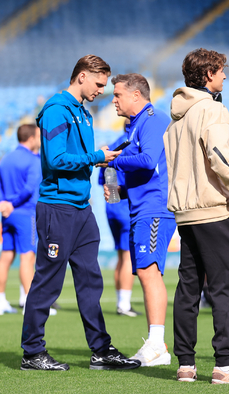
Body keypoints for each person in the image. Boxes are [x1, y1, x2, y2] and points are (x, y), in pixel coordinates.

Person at [20, 54, 140, 371]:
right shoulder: (58, 109)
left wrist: (97, 158)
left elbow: (77, 157)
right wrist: (96, 156)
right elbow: (56, 159)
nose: (102, 90)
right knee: (47, 282)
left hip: (82, 210)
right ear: (82, 76)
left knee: (90, 280)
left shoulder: (83, 113)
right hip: (57, 208)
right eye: (99, 84)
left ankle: (101, 349)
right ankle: (32, 353)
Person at [164, 48, 229, 384]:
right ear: (209, 74)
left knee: (188, 290)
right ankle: (224, 364)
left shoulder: (176, 119)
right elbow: (220, 156)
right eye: (221, 71)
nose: (224, 77)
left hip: (185, 215)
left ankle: (186, 365)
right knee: (228, 289)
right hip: (214, 211)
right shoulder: (213, 110)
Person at [101, 73, 176, 366]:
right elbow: (146, 169)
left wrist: (112, 159)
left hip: (155, 209)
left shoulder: (154, 119)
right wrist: (122, 188)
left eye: (117, 95)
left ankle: (157, 346)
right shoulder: (135, 126)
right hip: (140, 207)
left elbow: (148, 160)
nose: (114, 100)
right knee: (145, 271)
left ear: (136, 95)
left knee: (149, 271)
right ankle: (157, 344)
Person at [0, 124, 42, 315]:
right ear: (30, 138)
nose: (40, 139)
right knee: (27, 257)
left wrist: (3, 203)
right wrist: (12, 203)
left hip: (7, 214)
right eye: (38, 136)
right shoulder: (33, 160)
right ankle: (30, 305)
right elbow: (29, 189)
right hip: (24, 213)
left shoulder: (6, 159)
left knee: (5, 257)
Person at [98, 130, 140, 317]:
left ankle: (121, 301)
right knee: (127, 257)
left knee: (121, 256)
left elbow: (105, 182)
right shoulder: (133, 146)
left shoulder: (111, 146)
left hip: (112, 207)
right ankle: (124, 304)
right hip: (125, 206)